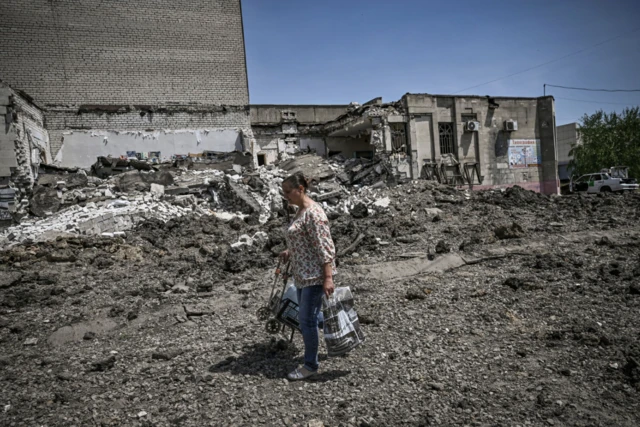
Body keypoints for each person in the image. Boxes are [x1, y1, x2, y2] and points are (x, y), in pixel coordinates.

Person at [280, 171, 337, 380]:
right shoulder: (300, 210)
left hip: (315, 276)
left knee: (306, 321)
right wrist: (290, 251)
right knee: (311, 316)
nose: (285, 195)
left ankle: (310, 365)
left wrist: (328, 278)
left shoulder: (313, 213)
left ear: (300, 189)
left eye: (288, 191)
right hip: (302, 274)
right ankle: (342, 328)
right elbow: (303, 239)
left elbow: (324, 247)